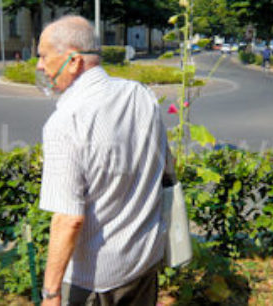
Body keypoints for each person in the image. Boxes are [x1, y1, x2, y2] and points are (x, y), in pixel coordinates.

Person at [36, 15, 167, 306]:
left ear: (73, 60)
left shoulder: (65, 123)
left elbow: (69, 219)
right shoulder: (141, 95)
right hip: (144, 261)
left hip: (97, 281)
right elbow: (164, 170)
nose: (39, 66)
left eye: (44, 56)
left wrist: (51, 293)